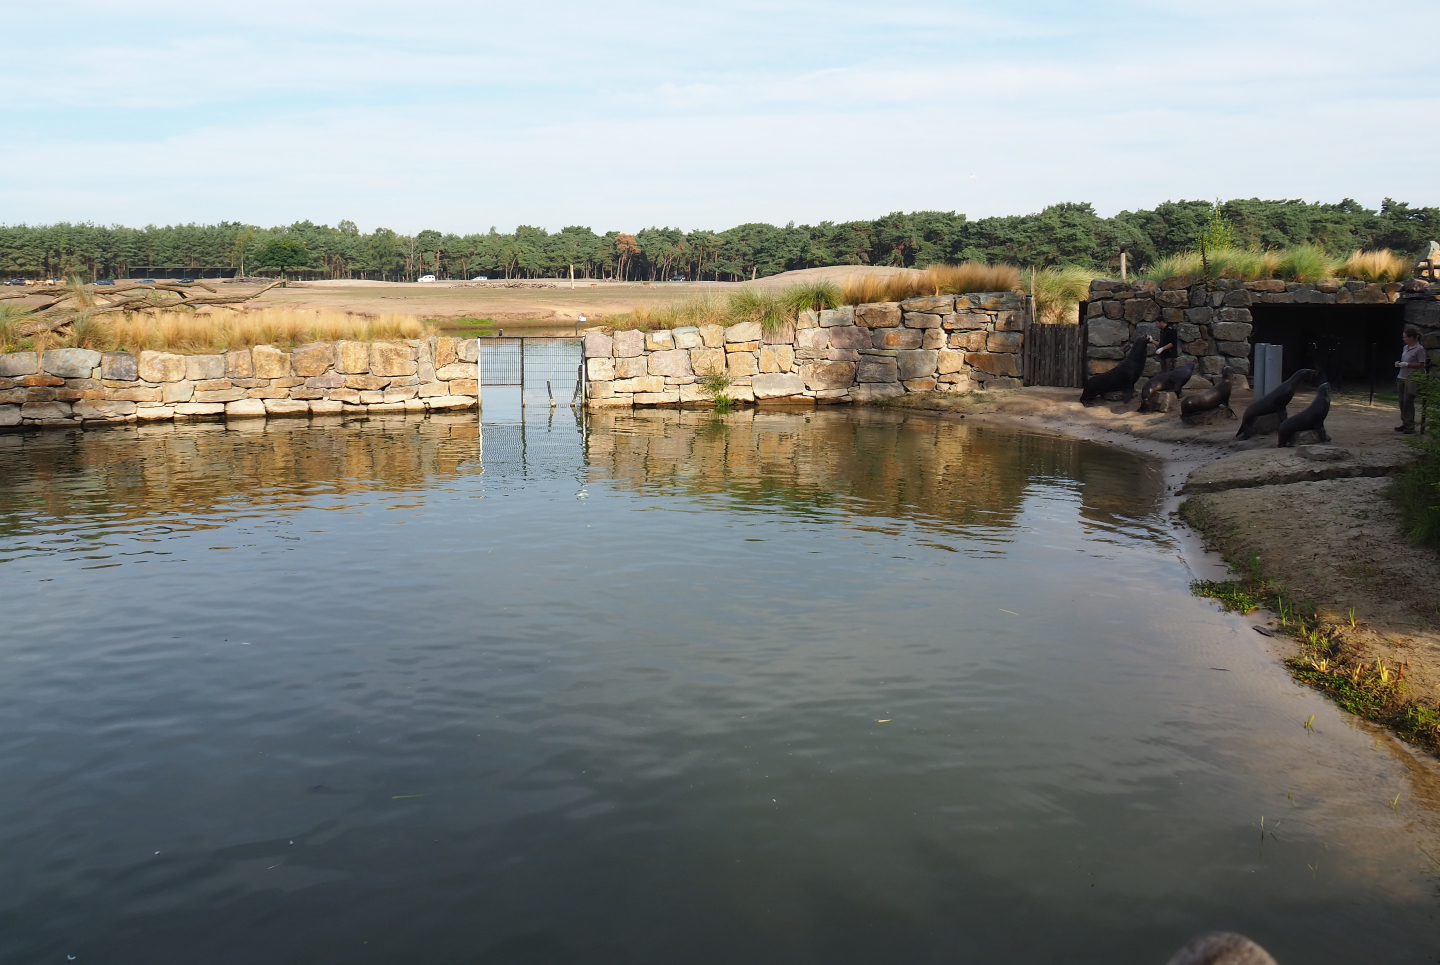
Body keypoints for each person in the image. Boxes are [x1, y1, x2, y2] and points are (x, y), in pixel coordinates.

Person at [1395, 328, 1426, 433]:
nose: (1404, 339)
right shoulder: (1405, 348)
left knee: (1408, 400)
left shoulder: (1419, 349)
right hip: (1402, 376)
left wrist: (1407, 364)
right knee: (1401, 401)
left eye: (1405, 337)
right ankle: (1405, 422)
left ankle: (1410, 425)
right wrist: (1400, 364)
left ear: (1411, 337)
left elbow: (1421, 364)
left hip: (1411, 377)